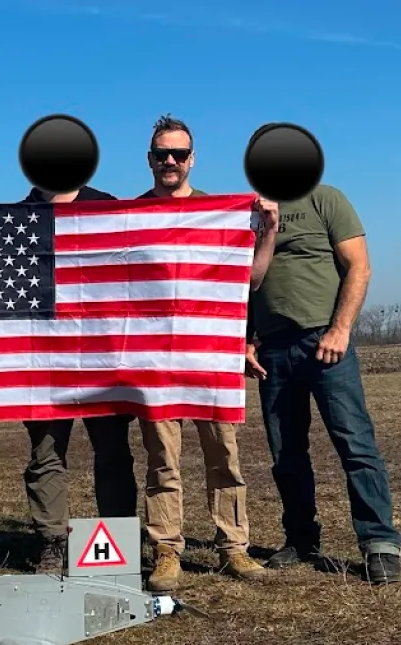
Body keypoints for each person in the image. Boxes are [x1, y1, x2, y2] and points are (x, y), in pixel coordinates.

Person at [135, 114, 277, 591]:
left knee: (225, 457)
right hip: (155, 363)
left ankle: (233, 547)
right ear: (150, 160)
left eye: (178, 154)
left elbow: (251, 281)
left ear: (192, 159)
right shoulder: (130, 217)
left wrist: (269, 230)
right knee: (162, 463)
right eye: (162, 155)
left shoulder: (220, 214)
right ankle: (167, 550)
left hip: (210, 357)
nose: (170, 161)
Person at [245, 180, 401, 585]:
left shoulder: (325, 198)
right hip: (273, 349)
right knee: (286, 453)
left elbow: (359, 266)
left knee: (355, 443)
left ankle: (380, 543)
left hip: (325, 342)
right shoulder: (249, 211)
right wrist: (246, 339)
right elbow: (240, 281)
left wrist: (340, 329)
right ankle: (300, 539)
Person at [18, 182, 141, 574]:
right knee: (46, 456)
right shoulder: (17, 215)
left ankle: (118, 540)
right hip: (45, 360)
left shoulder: (107, 207)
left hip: (100, 357)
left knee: (112, 453)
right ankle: (53, 544)